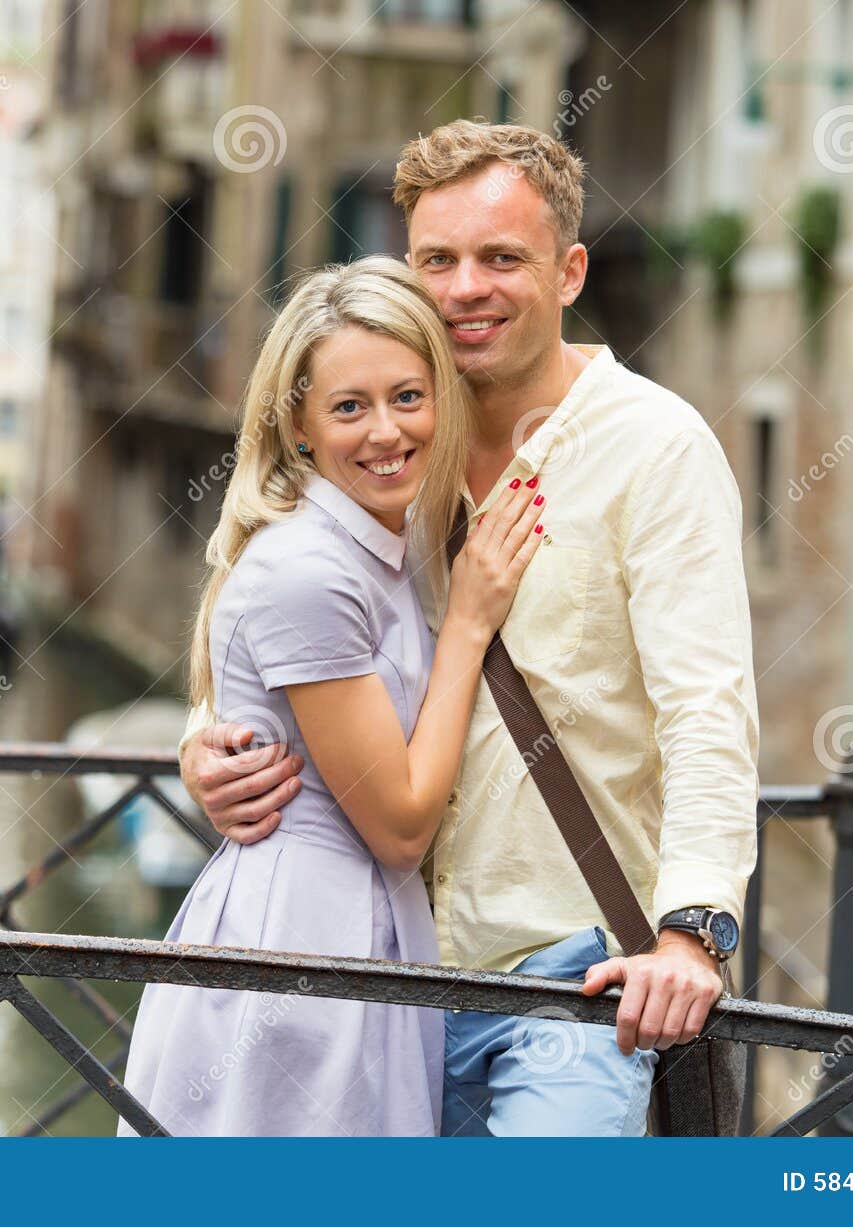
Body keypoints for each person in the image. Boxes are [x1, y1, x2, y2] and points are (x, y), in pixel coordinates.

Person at [180, 121, 761, 1137]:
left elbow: (706, 711)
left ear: (569, 270)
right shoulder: (393, 438)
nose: (464, 289)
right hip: (386, 976)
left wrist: (693, 934)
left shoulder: (655, 448)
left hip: (570, 976)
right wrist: (207, 738)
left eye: (502, 259)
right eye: (436, 261)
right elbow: (289, 614)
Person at [119, 256, 544, 1136]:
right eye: (350, 406)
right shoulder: (312, 569)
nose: (386, 431)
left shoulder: (389, 537)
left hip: (351, 925)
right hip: (306, 937)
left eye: (409, 397)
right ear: (300, 426)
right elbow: (397, 824)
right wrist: (467, 624)